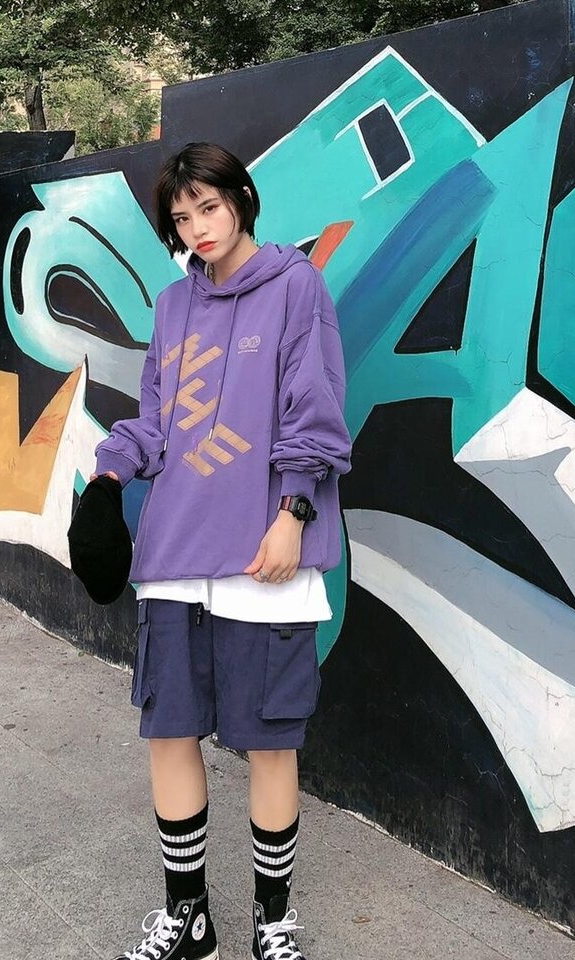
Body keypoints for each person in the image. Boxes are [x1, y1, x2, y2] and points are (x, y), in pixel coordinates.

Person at [92, 141, 351, 960]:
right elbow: (156, 422)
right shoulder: (173, 306)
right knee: (169, 733)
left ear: (241, 197)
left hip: (263, 558)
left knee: (271, 742)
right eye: (182, 217)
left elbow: (314, 408)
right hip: (174, 557)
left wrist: (293, 511)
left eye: (209, 206)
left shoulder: (296, 286)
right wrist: (107, 475)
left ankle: (271, 923)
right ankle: (189, 918)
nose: (198, 227)